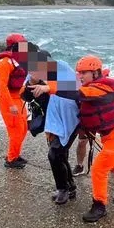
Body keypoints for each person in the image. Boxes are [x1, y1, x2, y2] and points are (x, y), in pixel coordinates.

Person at [30, 55, 114, 223]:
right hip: (112, 135)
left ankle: (99, 205)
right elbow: (73, 85)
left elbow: (76, 92)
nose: (80, 76)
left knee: (99, 169)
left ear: (96, 73)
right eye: (78, 72)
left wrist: (48, 88)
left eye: (84, 73)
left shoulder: (102, 88)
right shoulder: (90, 82)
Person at [22, 52, 80, 205]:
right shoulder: (34, 74)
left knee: (54, 154)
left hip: (71, 118)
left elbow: (76, 86)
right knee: (60, 154)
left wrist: (48, 87)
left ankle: (63, 189)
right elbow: (26, 97)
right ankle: (70, 187)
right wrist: (32, 82)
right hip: (52, 120)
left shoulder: (61, 67)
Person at [0, 33, 29, 168]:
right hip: (7, 100)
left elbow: (19, 82)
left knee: (24, 128)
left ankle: (15, 154)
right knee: (16, 130)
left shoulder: (18, 61)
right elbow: (2, 87)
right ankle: (11, 159)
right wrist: (11, 105)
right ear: (14, 46)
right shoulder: (4, 63)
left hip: (18, 98)